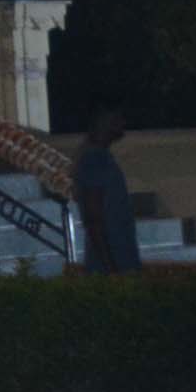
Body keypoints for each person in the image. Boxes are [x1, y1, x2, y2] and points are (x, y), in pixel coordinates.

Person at [73, 106, 143, 272]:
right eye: (118, 119)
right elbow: (93, 218)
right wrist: (110, 268)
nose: (123, 124)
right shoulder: (94, 161)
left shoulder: (100, 158)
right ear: (106, 123)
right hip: (110, 266)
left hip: (119, 261)